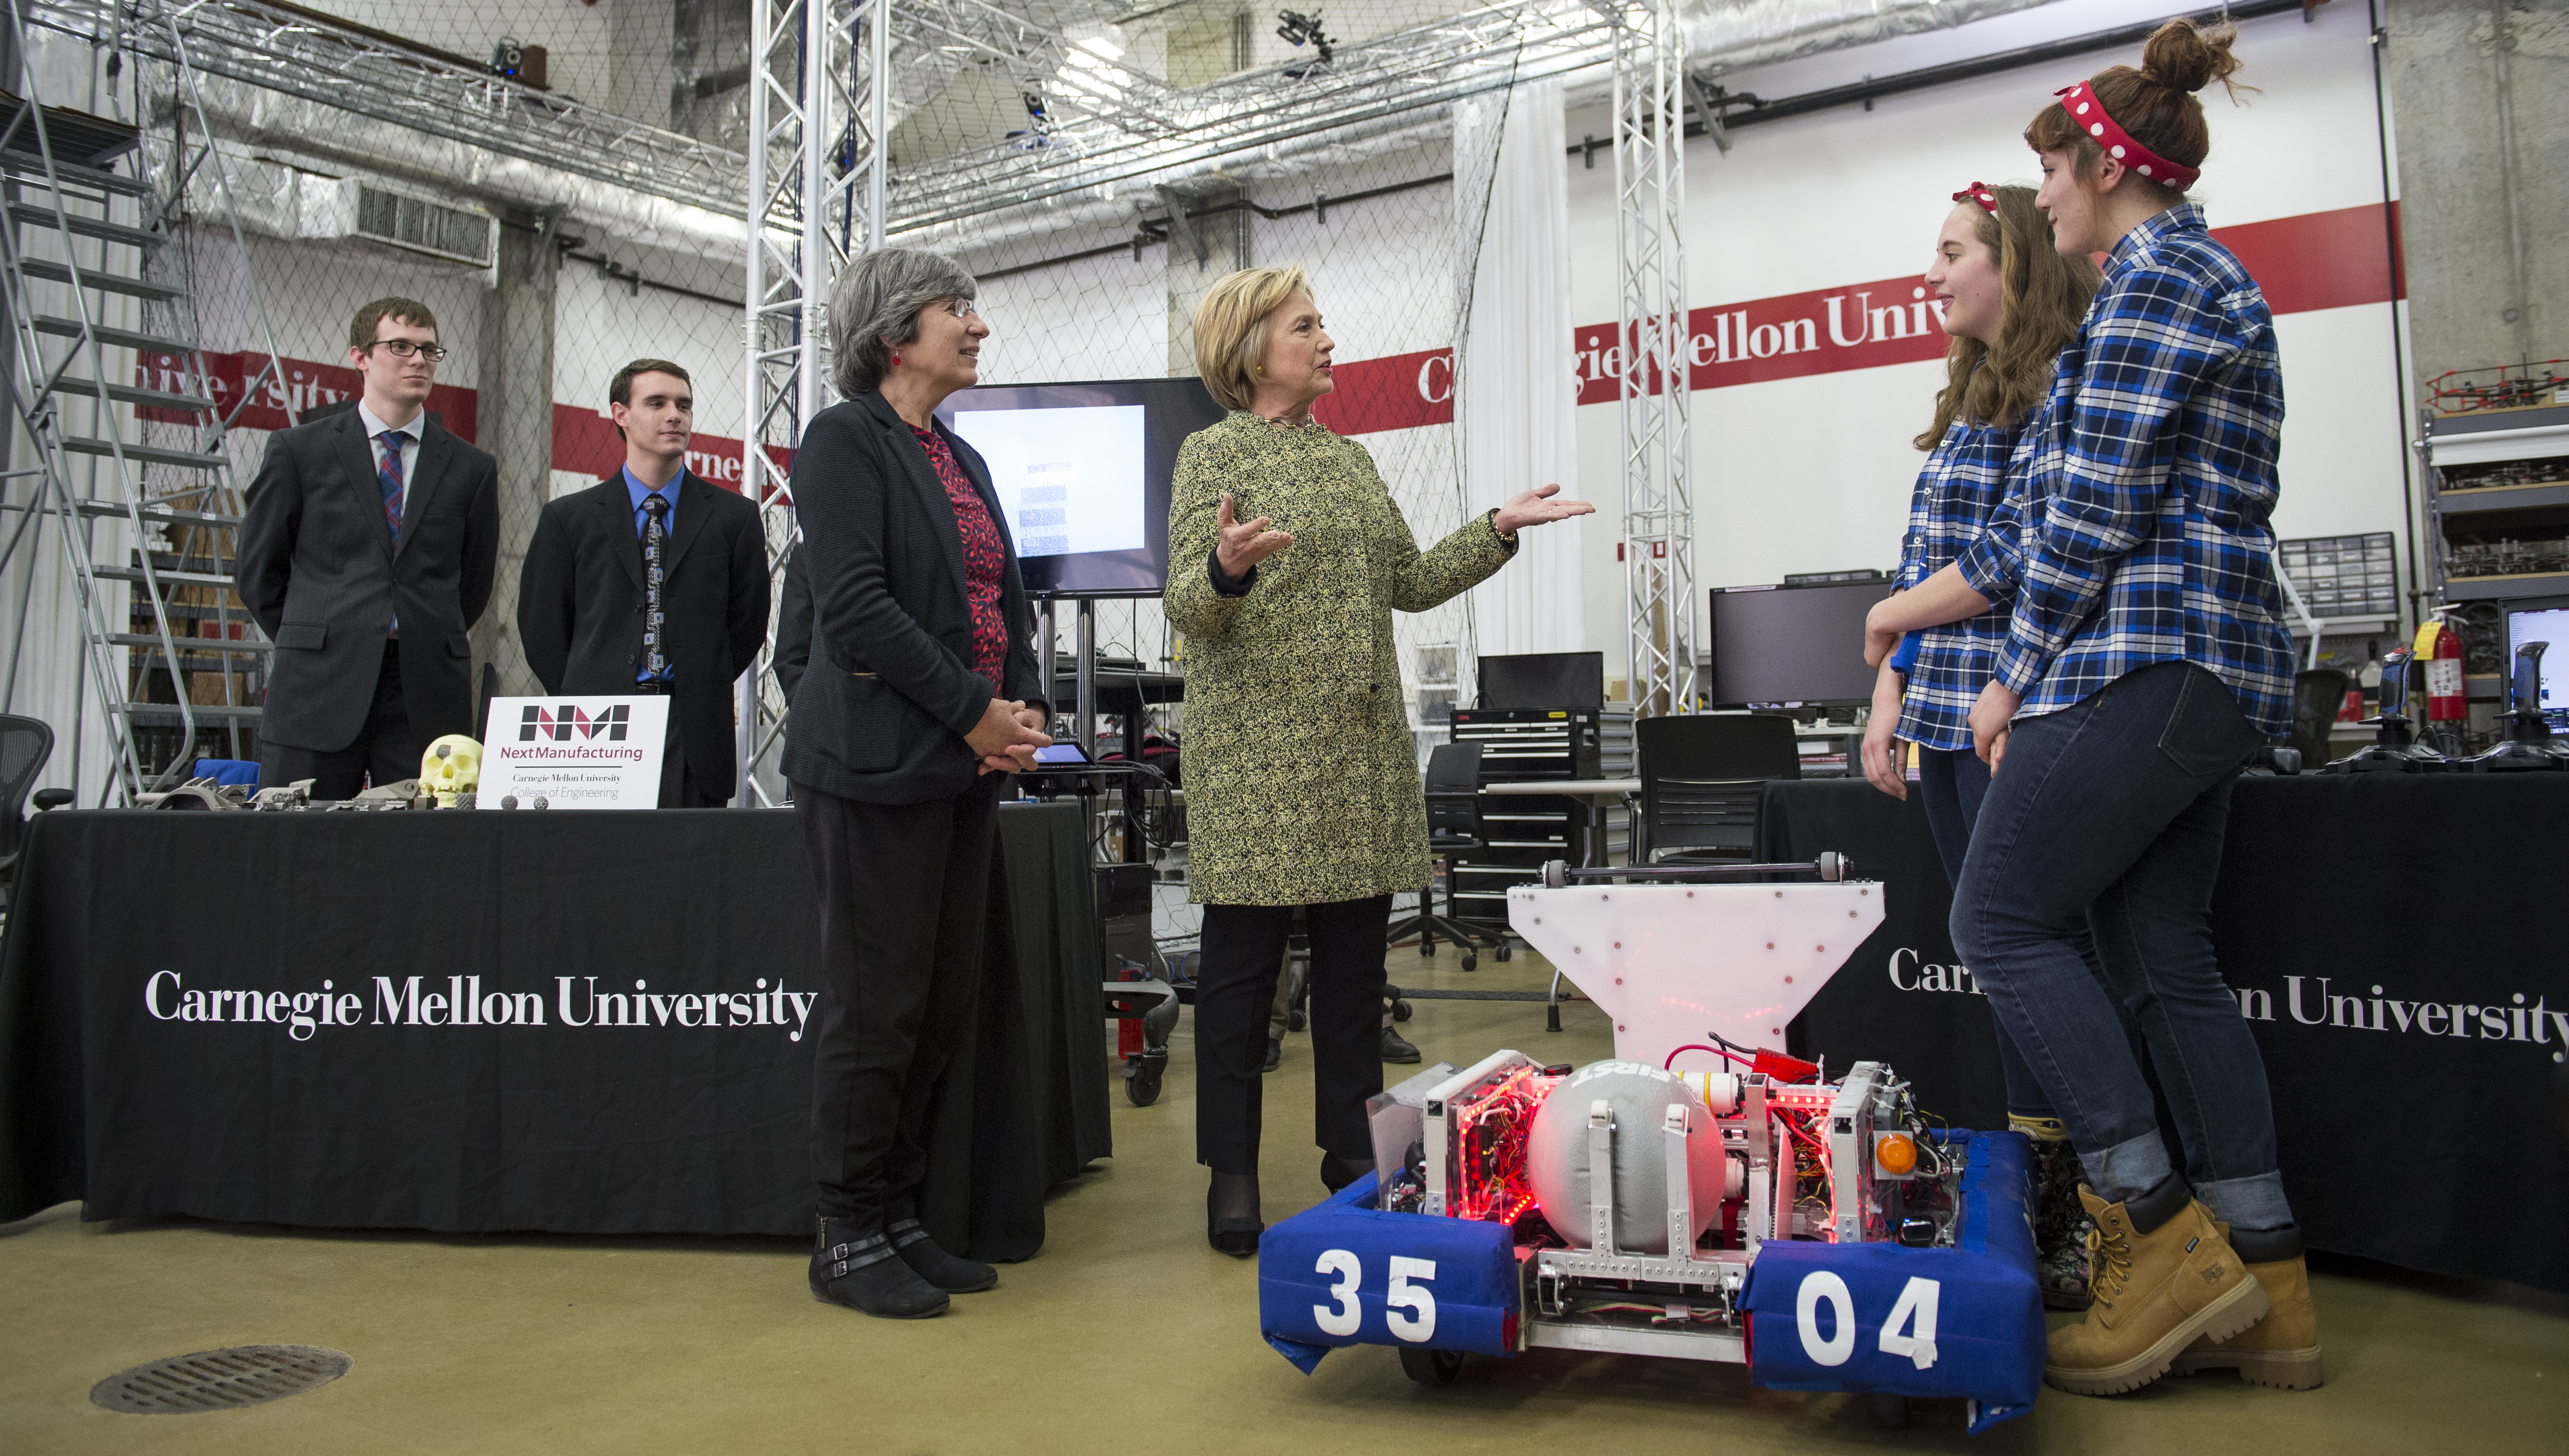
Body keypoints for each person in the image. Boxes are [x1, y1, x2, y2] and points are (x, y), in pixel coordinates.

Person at [1948, 20, 2319, 1396]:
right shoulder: (2170, 286)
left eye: (2046, 171)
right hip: (2201, 667)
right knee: (2162, 949)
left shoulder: (2162, 278)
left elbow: (2091, 516)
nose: (2036, 197)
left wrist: (2011, 670)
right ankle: (2269, 1285)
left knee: (1999, 917)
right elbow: (2064, 507)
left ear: (2101, 169)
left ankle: (2155, 1235)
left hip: (2152, 660)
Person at [1164, 266, 1591, 1256]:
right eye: (1305, 325)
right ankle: (1231, 1170)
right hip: (1256, 762)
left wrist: (1493, 531)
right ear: (1250, 347)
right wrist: (1225, 566)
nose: (1325, 340)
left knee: (1355, 970)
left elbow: (1406, 580)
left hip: (1357, 752)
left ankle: (1347, 1149)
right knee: (1240, 977)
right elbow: (1187, 605)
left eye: (1322, 322)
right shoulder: (1210, 453)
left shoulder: (1351, 463)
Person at [788, 247, 1052, 1320]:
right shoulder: (842, 441)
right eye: (958, 307)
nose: (978, 324)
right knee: (876, 1007)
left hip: (954, 765)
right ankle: (843, 1233)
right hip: (871, 768)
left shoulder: (958, 453)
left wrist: (1018, 711)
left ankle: (897, 1213)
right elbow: (855, 607)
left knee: (936, 1003)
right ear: (897, 334)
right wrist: (973, 711)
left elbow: (1003, 600)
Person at [1858, 182, 2101, 1310]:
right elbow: (1921, 565)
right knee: (1997, 959)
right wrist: (1885, 695)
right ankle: (2026, 1190)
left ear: (2010, 260)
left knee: (2018, 955)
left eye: (1950, 251)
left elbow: (2009, 557)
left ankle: (2067, 1204)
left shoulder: (2057, 389)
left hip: (2013, 712)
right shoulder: (1964, 407)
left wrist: (1896, 623)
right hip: (1945, 718)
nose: (1931, 272)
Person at [238, 298, 498, 797]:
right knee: (300, 847)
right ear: (360, 356)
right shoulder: (300, 452)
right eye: (400, 347)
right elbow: (258, 572)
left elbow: (472, 583)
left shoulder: (471, 468)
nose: (419, 360)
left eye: (429, 350)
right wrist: (320, 631)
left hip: (423, 686)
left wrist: (418, 628)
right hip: (318, 683)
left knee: (419, 855)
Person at [517, 360, 772, 807]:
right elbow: (542, 629)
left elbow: (747, 622)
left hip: (693, 731)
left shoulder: (735, 518)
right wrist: (590, 687)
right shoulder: (568, 520)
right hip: (595, 730)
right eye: (656, 403)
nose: (675, 414)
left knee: (688, 872)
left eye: (684, 405)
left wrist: (699, 677)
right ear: (621, 414)